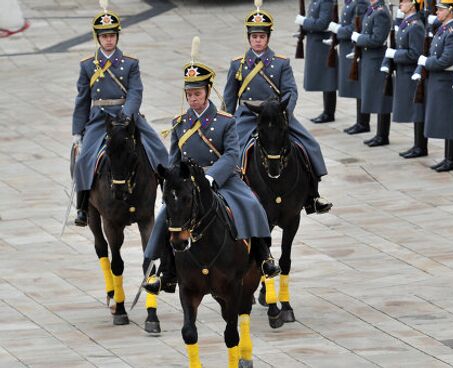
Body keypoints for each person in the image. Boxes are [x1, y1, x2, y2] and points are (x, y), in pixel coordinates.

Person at [142, 39, 281, 294]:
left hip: (222, 178)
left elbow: (231, 154)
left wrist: (210, 178)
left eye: (197, 94)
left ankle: (263, 256)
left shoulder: (225, 121)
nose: (193, 99)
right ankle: (163, 271)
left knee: (250, 204)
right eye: (190, 95)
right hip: (187, 183)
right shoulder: (179, 123)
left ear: (207, 92)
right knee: (165, 216)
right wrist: (172, 183)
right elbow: (175, 159)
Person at [223, 4, 332, 214]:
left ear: (268, 38)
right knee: (233, 152)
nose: (257, 40)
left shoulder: (281, 63)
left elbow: (291, 91)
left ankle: (313, 196)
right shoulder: (238, 65)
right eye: (254, 36)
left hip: (278, 114)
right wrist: (227, 121)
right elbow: (230, 97)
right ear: (248, 38)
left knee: (309, 145)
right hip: (248, 115)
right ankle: (232, 192)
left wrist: (285, 114)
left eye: (261, 37)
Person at [72, 2, 167, 226]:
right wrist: (77, 130)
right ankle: (82, 206)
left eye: (112, 36)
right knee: (84, 159)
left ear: (117, 37)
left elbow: (135, 91)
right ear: (98, 38)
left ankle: (167, 197)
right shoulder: (88, 66)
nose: (108, 40)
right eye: (104, 36)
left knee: (159, 150)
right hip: (99, 119)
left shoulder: (129, 63)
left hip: (128, 117)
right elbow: (82, 99)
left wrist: (127, 114)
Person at [418, 0, 453, 169]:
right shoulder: (443, 28)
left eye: (441, 9)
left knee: (451, 121)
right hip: (440, 80)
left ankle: (452, 160)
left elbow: (447, 59)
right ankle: (447, 158)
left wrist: (427, 63)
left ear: (450, 11)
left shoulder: (452, 32)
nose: (437, 11)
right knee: (446, 121)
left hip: (447, 81)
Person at [384, 0, 426, 158]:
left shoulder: (415, 26)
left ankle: (420, 146)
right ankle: (417, 145)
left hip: (411, 73)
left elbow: (415, 54)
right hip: (404, 72)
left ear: (413, 5)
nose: (400, 4)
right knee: (413, 109)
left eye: (404, 1)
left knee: (417, 110)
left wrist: (395, 55)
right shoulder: (407, 22)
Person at [351, 0, 394, 146]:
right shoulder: (373, 9)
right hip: (369, 58)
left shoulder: (380, 12)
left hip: (376, 59)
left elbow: (377, 39)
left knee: (381, 98)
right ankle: (377, 133)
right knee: (372, 95)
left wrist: (359, 39)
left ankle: (382, 135)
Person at [327, 0, 371, 134]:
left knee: (359, 86)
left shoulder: (361, 3)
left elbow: (355, 27)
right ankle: (360, 121)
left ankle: (363, 122)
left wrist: (339, 30)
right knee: (356, 86)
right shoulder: (350, 2)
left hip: (355, 47)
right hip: (347, 46)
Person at [295, 0, 338, 123]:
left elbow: (322, 23)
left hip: (322, 45)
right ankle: (327, 111)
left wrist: (304, 22)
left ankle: (329, 113)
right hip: (315, 44)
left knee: (328, 79)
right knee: (325, 79)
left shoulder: (326, 2)